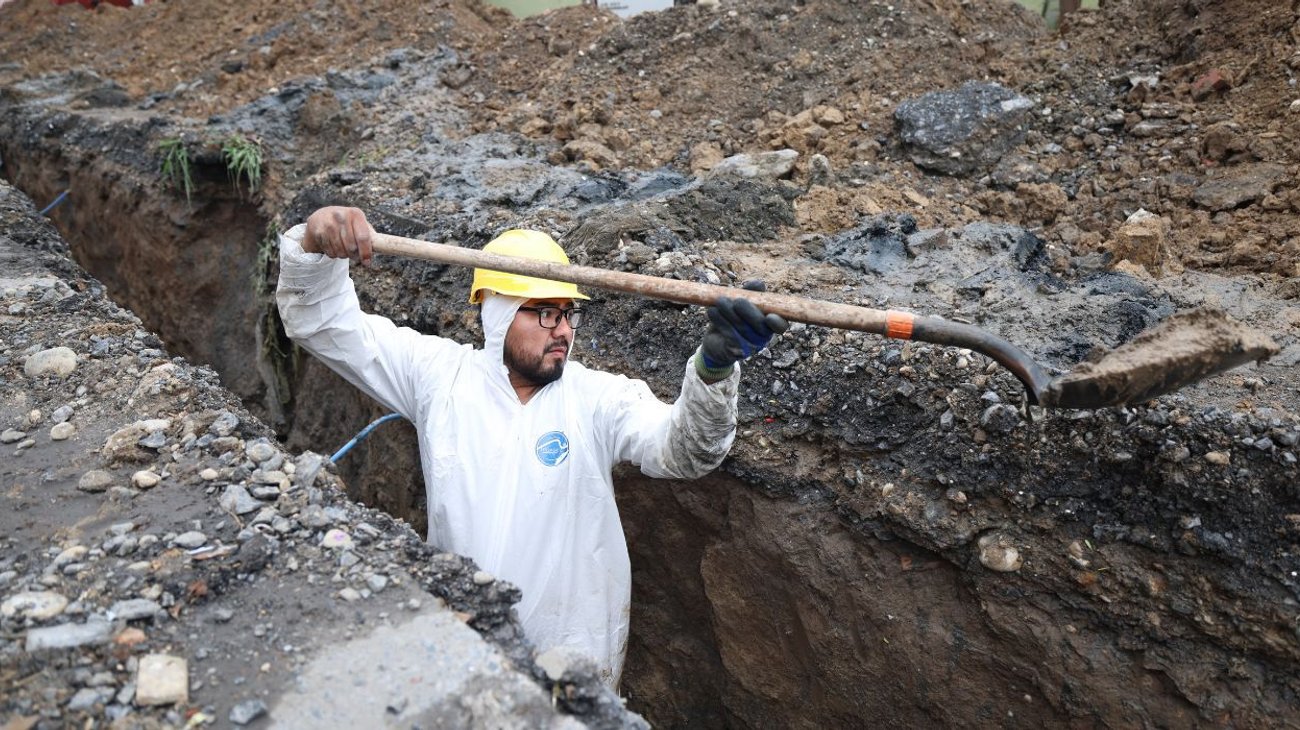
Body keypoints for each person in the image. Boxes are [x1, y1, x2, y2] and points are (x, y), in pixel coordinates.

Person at [276, 206, 786, 687]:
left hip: (573, 662)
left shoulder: (598, 399)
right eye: (542, 313)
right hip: (462, 642)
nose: (562, 330)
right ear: (497, 314)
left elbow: (685, 450)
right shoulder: (439, 378)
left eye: (566, 314)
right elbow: (323, 324)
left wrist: (713, 371)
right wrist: (313, 242)